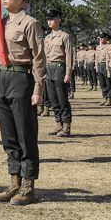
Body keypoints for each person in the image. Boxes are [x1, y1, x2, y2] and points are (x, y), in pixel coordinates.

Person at [0, 0, 46, 206]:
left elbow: (39, 57)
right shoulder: (0, 23)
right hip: (2, 79)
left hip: (21, 78)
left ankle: (28, 186)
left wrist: (38, 89)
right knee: (9, 136)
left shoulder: (30, 23)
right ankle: (14, 181)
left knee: (25, 134)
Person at [43, 9, 74, 137]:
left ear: (58, 20)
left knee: (62, 98)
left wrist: (68, 73)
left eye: (52, 19)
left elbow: (69, 55)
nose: (49, 21)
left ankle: (66, 126)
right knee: (53, 99)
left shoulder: (65, 36)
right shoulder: (47, 38)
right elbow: (45, 56)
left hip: (60, 68)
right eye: (48, 19)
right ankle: (59, 123)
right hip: (50, 69)